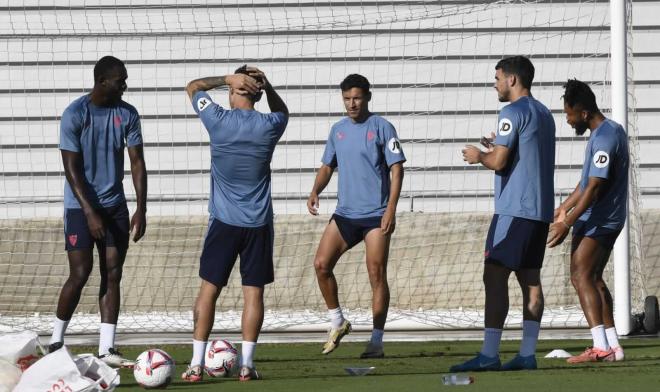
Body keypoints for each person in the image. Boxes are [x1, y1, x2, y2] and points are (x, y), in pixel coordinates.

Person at [181, 65, 288, 382]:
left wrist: (226, 78)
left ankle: (196, 365)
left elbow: (193, 86)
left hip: (224, 223)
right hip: (258, 224)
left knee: (208, 293)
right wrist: (267, 87)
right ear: (257, 93)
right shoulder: (270, 125)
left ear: (232, 91)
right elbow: (283, 111)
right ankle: (246, 365)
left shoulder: (218, 120)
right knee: (253, 296)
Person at [452, 56, 555, 371]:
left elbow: (498, 163)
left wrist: (479, 155)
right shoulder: (544, 113)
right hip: (540, 211)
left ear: (512, 80)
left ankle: (489, 354)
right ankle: (526, 354)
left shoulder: (511, 111)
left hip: (515, 209)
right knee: (530, 280)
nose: (495, 84)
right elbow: (524, 150)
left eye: (497, 78)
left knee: (494, 274)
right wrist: (498, 145)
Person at [50, 55, 147, 368]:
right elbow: (71, 168)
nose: (125, 85)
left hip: (115, 205)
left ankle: (107, 348)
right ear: (103, 81)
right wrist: (89, 212)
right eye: (121, 80)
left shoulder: (127, 113)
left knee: (113, 272)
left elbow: (136, 162)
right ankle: (55, 341)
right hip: (80, 206)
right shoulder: (75, 114)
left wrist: (141, 208)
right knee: (80, 273)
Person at [307, 74, 405, 359]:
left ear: (367, 98)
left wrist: (391, 209)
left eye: (357, 98)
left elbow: (397, 170)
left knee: (376, 274)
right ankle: (338, 321)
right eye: (347, 98)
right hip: (345, 215)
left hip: (376, 216)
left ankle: (376, 340)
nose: (352, 104)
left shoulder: (383, 127)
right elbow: (327, 166)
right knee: (321, 265)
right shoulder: (337, 130)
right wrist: (315, 190)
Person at [547, 79, 628, 363]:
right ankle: (613, 347)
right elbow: (585, 185)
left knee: (580, 276)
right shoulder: (606, 131)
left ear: (583, 113)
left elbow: (594, 188)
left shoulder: (605, 138)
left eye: (569, 115)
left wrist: (567, 223)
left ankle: (600, 347)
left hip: (601, 219)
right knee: (593, 278)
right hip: (603, 217)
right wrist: (563, 208)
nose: (568, 121)